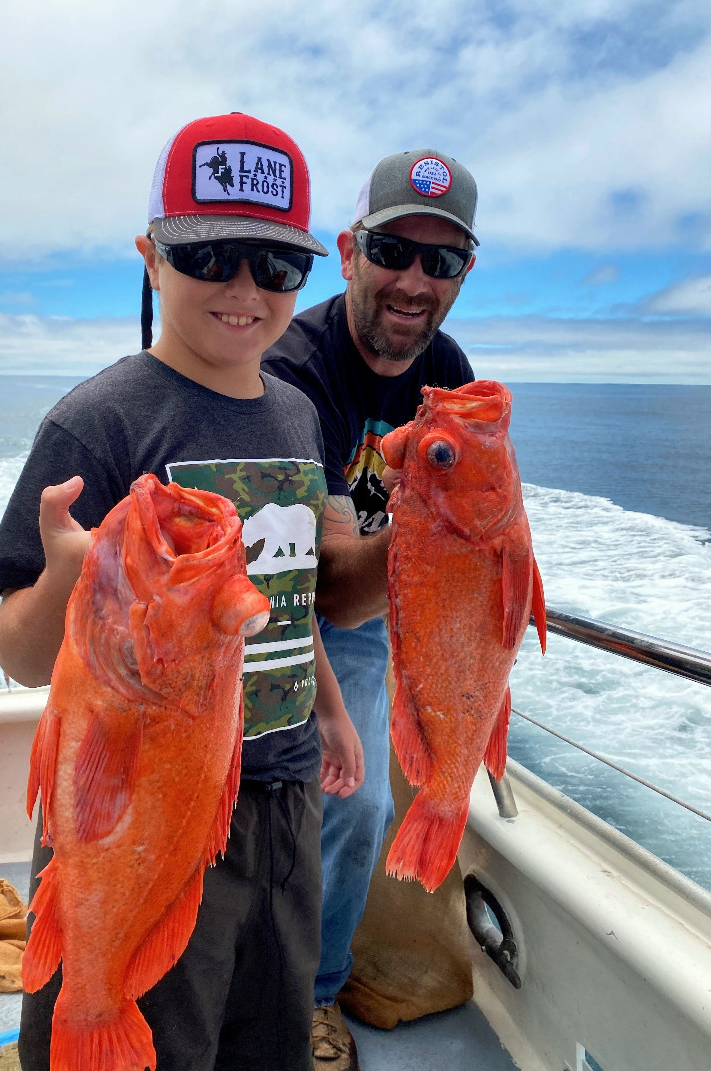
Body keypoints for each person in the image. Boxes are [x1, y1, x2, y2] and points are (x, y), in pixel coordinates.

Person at [0, 112, 364, 1071]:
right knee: (145, 1033)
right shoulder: (97, 424)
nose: (244, 291)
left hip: (282, 794)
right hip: (138, 807)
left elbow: (286, 593)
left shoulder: (297, 412)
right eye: (210, 256)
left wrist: (335, 713)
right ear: (151, 259)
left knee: (267, 1038)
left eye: (276, 267)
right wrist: (65, 577)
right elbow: (20, 659)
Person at [262, 147, 479, 1071]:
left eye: (443, 262)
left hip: (402, 595)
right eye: (395, 249)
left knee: (434, 769)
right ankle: (312, 992)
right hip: (306, 606)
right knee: (356, 798)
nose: (414, 280)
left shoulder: (451, 366)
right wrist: (441, 512)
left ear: (465, 275)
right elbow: (332, 587)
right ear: (350, 250)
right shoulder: (293, 375)